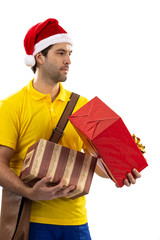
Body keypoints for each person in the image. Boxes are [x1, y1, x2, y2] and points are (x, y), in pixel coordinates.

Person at [0, 18, 141, 240]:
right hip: (33, 220)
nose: (68, 60)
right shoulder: (11, 106)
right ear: (39, 57)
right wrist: (29, 192)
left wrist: (121, 171)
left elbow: (95, 163)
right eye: (60, 53)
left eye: (70, 53)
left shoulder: (84, 106)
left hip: (76, 221)